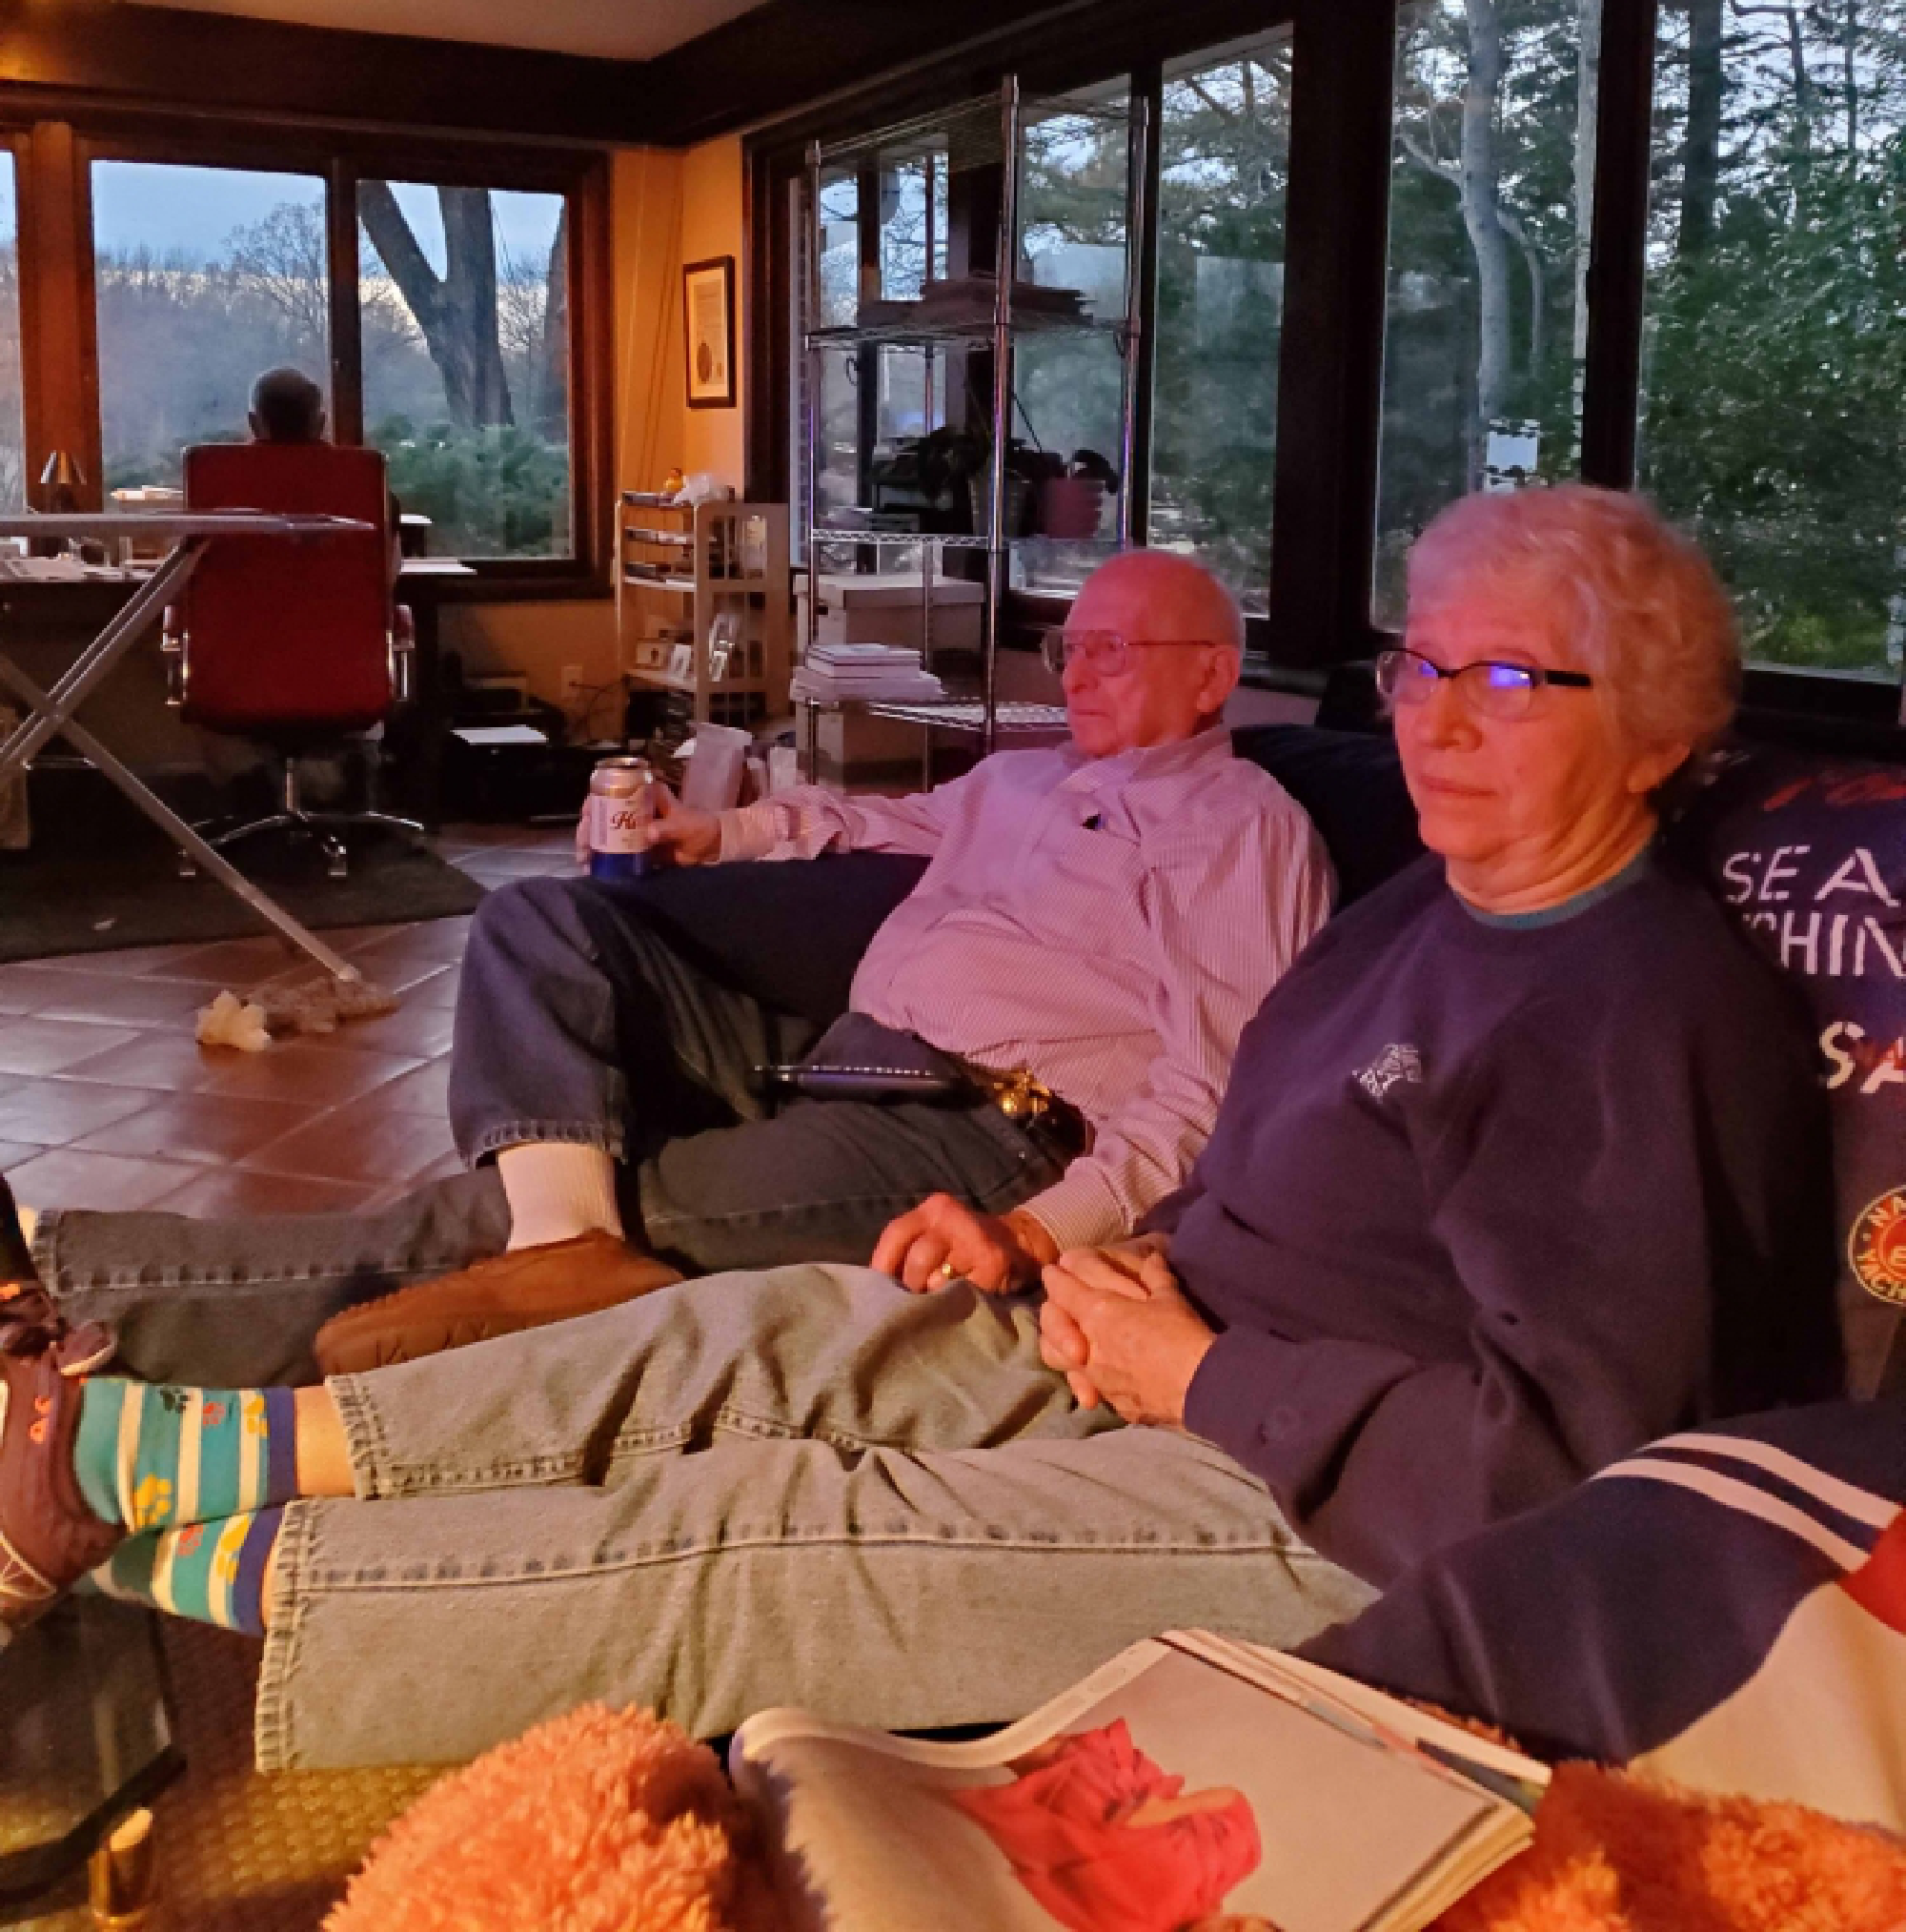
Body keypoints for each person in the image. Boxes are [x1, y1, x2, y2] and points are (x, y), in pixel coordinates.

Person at [0, 487, 1840, 1771]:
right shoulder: (1424, 912)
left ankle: (117, 1545)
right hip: (1160, 1324)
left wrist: (1193, 1364)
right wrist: (1060, 1249)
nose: (1439, 722)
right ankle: (141, 1437)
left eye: (1511, 681)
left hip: (1335, 1506)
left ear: (1662, 726)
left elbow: (1578, 1464)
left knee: (772, 1525)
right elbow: (1261, 1170)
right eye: (1424, 669)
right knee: (739, 1324)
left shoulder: (1636, 1013)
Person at [26, 549, 1333, 1385]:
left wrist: (1042, 1227)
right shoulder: (1028, 773)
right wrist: (725, 827)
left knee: (506, 1221)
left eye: (1118, 647)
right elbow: (880, 821)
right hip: (841, 1048)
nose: (1080, 669)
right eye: (1073, 643)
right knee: (538, 920)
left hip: (986, 1128)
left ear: (1213, 674)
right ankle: (568, 1246)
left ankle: (76, 1290)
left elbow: (1227, 1080)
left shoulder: (1243, 829)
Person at [948, 1721, 1265, 1932]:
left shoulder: (1141, 1926)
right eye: (1243, 1927)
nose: (1233, 1926)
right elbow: (1232, 1801)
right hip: (1100, 1780)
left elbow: (1072, 1886)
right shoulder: (1229, 1866)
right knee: (1017, 1734)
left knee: (993, 1743)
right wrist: (1167, 1809)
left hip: (1063, 1810)